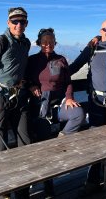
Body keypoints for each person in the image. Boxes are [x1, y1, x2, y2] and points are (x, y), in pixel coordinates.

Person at [69, 19, 106, 196]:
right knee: (95, 141)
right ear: (100, 31)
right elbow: (75, 66)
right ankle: (94, 179)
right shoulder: (92, 47)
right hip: (96, 102)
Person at [25, 28, 85, 197]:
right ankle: (47, 182)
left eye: (51, 42)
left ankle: (61, 141)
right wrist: (31, 85)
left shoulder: (61, 60)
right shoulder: (32, 60)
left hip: (58, 104)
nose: (48, 45)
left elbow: (67, 82)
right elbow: (25, 78)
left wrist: (70, 97)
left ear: (55, 43)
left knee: (78, 114)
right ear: (38, 43)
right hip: (40, 106)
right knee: (43, 145)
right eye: (44, 42)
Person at [0, 7, 31, 199]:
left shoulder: (25, 43)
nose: (19, 25)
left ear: (27, 23)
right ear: (8, 22)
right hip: (0, 99)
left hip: (19, 97)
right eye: (15, 21)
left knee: (25, 142)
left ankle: (23, 191)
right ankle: (1, 192)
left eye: (22, 22)